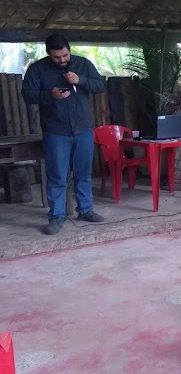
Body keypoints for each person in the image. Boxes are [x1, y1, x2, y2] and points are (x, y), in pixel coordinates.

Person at [21, 33, 106, 235]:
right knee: (57, 175)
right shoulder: (37, 69)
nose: (62, 60)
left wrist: (80, 79)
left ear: (69, 50)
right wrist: (49, 95)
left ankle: (85, 210)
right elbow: (27, 94)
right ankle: (56, 217)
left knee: (83, 173)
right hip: (56, 131)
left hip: (83, 129)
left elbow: (100, 85)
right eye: (57, 57)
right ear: (48, 53)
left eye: (65, 55)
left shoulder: (83, 64)